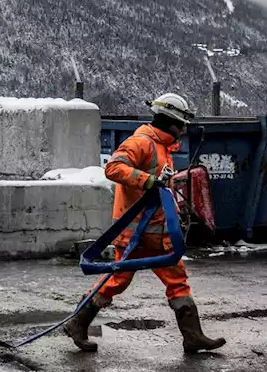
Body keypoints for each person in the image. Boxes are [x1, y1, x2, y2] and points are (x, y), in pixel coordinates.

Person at [62, 92, 226, 354]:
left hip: (156, 232)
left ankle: (193, 337)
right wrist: (146, 180)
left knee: (176, 280)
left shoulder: (162, 147)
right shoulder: (142, 142)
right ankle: (78, 322)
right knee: (118, 281)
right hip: (135, 234)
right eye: (180, 123)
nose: (183, 129)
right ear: (168, 121)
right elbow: (113, 168)